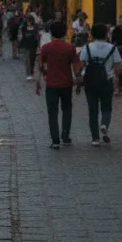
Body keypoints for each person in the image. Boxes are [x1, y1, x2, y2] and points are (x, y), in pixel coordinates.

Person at [36, 21, 80, 149]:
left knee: (52, 112)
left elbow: (41, 67)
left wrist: (39, 81)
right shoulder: (70, 47)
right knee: (66, 110)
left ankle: (55, 140)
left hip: (51, 84)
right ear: (65, 33)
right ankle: (65, 135)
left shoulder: (46, 48)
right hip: (67, 84)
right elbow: (75, 67)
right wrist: (78, 81)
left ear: (51, 33)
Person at [77, 23, 122, 146]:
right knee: (106, 106)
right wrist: (116, 80)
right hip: (107, 80)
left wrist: (79, 78)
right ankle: (104, 124)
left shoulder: (87, 47)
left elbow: (80, 65)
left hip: (90, 81)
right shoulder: (112, 48)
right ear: (106, 34)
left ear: (92, 34)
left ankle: (95, 138)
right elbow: (118, 67)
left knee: (93, 109)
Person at [19, 13, 40, 80]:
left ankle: (32, 72)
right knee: (27, 59)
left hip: (33, 45)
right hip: (26, 45)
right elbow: (21, 34)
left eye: (30, 20)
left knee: (32, 59)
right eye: (28, 20)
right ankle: (29, 74)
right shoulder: (24, 27)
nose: (29, 22)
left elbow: (37, 35)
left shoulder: (35, 26)